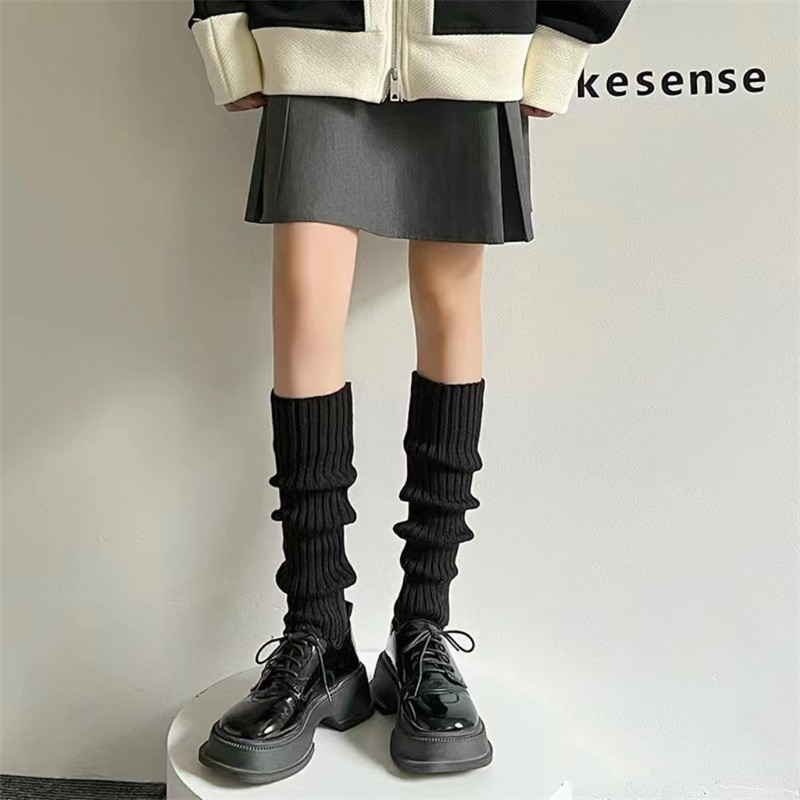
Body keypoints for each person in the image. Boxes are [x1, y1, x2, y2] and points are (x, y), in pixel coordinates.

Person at [187, 0, 632, 784]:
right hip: (314, 37)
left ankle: (422, 627)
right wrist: (225, 27)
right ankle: (318, 633)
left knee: (452, 306)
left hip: (472, 44)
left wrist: (561, 40)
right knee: (305, 306)